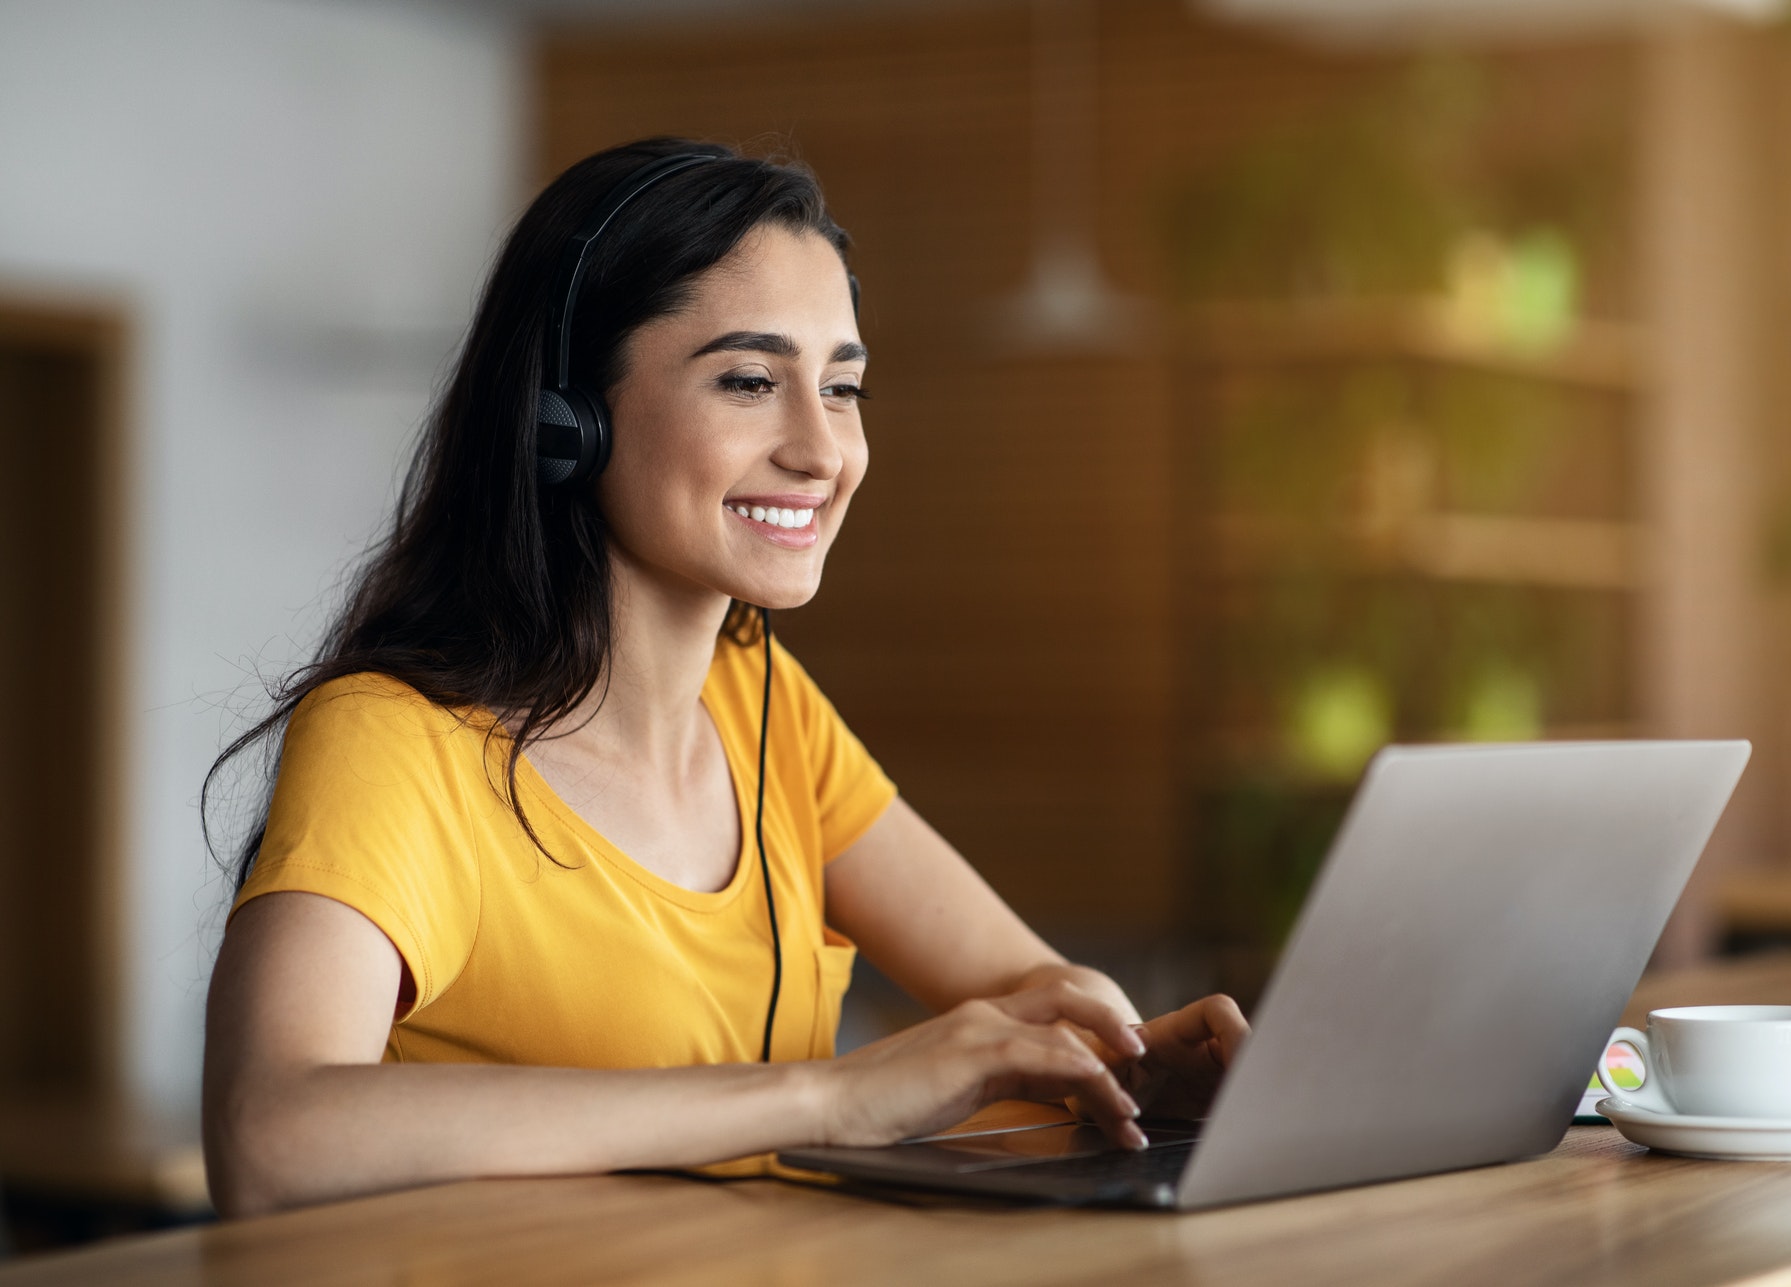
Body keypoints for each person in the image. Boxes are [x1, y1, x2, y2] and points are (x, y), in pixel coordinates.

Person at [201, 138, 1248, 1218]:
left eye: (842, 389)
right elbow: (269, 1136)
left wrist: (1121, 1059)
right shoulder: (394, 739)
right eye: (750, 381)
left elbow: (1019, 994)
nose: (821, 450)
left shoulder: (760, 701)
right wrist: (825, 1095)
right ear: (567, 417)